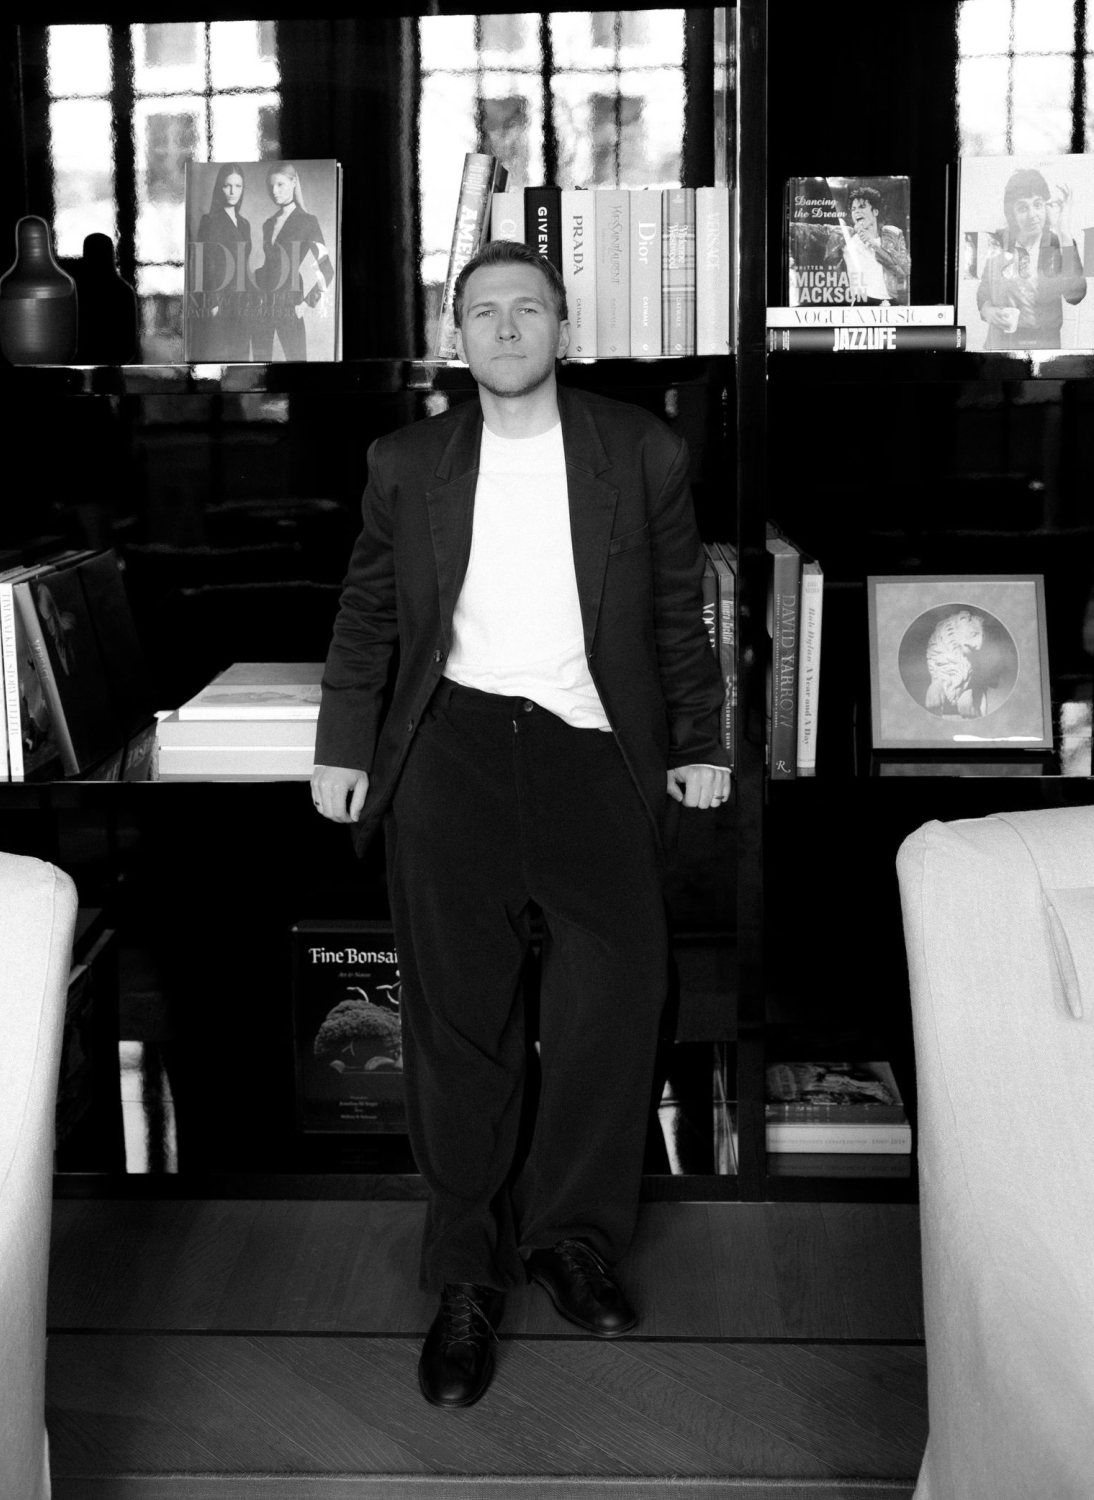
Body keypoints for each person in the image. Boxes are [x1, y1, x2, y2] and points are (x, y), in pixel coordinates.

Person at [310, 238, 730, 1409]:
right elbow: (368, 611)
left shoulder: (639, 451)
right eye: (484, 311)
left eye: (528, 309)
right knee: (458, 1024)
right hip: (452, 754)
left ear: (563, 328)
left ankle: (570, 1239)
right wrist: (344, 745)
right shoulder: (408, 462)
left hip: (595, 752)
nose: (505, 328)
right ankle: (465, 1273)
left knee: (612, 1010)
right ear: (457, 338)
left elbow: (678, 614)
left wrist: (698, 745)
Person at [976, 167, 1086, 350]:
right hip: (1000, 345)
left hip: (1043, 349)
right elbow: (984, 288)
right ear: (1012, 214)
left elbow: (1075, 296)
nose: (1032, 215)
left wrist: (1064, 232)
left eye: (1038, 204)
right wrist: (987, 310)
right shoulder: (1000, 241)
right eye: (1022, 208)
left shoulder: (1058, 244)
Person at [250, 162, 334, 362]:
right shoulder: (268, 224)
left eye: (280, 184)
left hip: (290, 303)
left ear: (294, 182)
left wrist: (306, 303)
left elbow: (327, 270)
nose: (274, 191)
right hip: (261, 303)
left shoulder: (308, 222)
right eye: (271, 186)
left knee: (298, 364)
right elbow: (270, 264)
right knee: (260, 366)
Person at [190, 165, 252, 361]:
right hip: (218, 300)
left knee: (241, 358)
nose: (233, 191)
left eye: (238, 186)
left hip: (242, 302)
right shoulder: (209, 221)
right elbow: (204, 263)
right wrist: (212, 301)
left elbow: (245, 265)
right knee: (217, 357)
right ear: (220, 188)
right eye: (227, 186)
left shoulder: (244, 224)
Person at [830, 184, 909, 305]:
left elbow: (905, 269)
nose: (856, 211)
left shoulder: (892, 234)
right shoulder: (846, 238)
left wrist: (873, 244)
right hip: (861, 302)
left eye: (862, 206)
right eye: (853, 209)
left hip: (890, 302)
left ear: (875, 211)